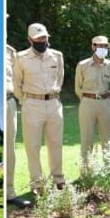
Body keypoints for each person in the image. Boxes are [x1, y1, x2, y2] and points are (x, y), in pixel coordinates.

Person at [13, 23, 66, 192]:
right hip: (32, 104)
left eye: (44, 38)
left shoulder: (57, 56)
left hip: (53, 103)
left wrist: (53, 94)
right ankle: (37, 183)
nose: (42, 41)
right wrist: (26, 101)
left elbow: (60, 78)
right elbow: (16, 84)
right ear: (30, 39)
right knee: (32, 146)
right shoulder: (20, 58)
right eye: (38, 39)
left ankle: (58, 179)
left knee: (56, 143)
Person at [75, 35, 110, 178]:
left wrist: (109, 101)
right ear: (93, 46)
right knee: (86, 139)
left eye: (105, 46)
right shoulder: (82, 65)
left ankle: (109, 171)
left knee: (106, 140)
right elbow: (78, 88)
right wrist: (86, 100)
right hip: (87, 103)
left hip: (105, 103)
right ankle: (85, 173)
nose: (102, 48)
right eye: (99, 45)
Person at [5, 43, 25, 206]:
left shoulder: (11, 52)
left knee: (9, 149)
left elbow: (17, 79)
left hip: (8, 101)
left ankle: (9, 193)